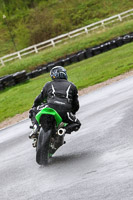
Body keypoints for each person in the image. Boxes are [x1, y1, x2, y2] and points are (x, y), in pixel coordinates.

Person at [29, 66, 81, 139]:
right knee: (77, 123)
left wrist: (34, 106)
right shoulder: (72, 86)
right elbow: (75, 104)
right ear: (64, 74)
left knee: (32, 111)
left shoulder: (48, 84)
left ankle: (36, 128)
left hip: (50, 106)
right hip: (65, 111)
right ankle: (63, 130)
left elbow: (39, 98)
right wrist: (72, 112)